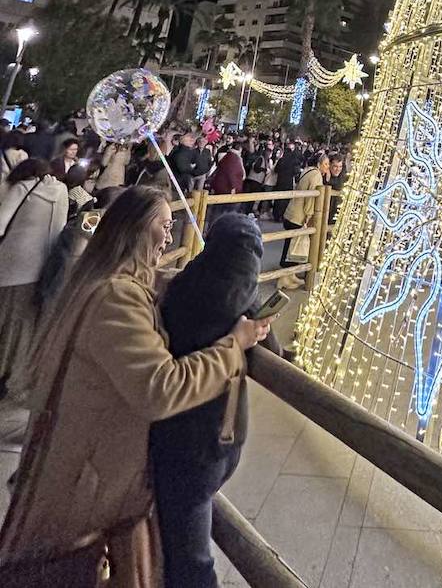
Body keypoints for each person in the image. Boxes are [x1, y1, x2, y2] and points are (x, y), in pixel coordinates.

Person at [0, 186, 269, 585]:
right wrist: (235, 346)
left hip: (79, 472)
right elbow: (162, 389)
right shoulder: (115, 299)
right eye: (163, 225)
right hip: (86, 492)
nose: (170, 235)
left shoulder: (106, 284)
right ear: (135, 231)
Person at [150, 214, 274, 586]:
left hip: (179, 433)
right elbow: (277, 351)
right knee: (192, 555)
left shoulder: (186, 284)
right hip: (212, 438)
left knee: (182, 533)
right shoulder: (243, 302)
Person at [0, 159, 68, 401]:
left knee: (5, 318)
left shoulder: (22, 188)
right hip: (44, 267)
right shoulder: (61, 190)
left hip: (12, 265)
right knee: (25, 324)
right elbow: (60, 227)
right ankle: (14, 376)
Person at [279, 152, 326, 286]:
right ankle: (284, 279)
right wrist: (309, 215)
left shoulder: (307, 170)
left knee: (290, 245)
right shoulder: (316, 175)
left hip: (291, 212)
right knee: (292, 248)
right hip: (298, 216)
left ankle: (291, 275)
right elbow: (311, 197)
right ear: (319, 164)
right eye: (326, 164)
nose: (327, 167)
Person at [272, 138, 301, 222]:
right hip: (288, 182)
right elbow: (296, 171)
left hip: (280, 181)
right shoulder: (294, 160)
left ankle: (276, 215)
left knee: (278, 199)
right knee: (285, 200)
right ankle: (282, 215)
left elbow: (276, 170)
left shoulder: (281, 160)